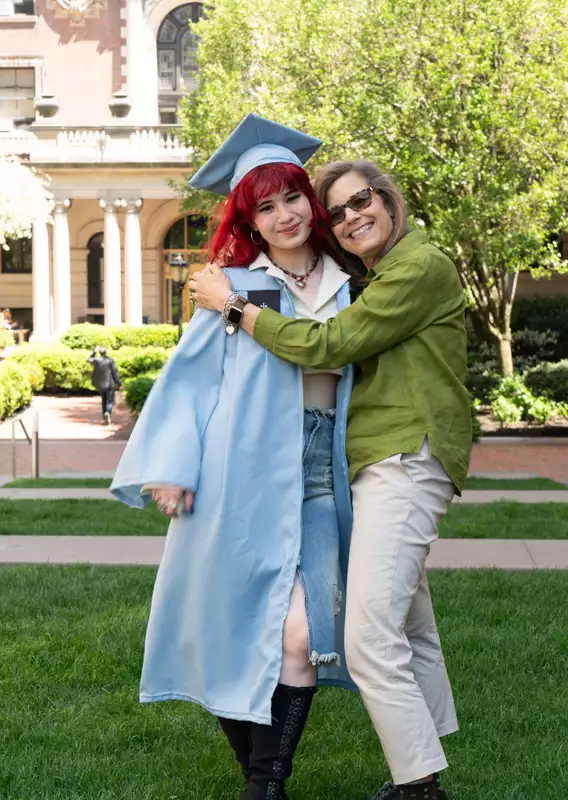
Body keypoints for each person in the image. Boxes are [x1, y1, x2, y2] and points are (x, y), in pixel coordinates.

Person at [190, 158, 473, 800]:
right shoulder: (374, 274)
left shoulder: (416, 267)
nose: (352, 217)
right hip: (370, 462)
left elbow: (328, 345)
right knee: (408, 625)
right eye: (339, 210)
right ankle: (424, 759)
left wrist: (234, 306)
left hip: (403, 457)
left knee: (367, 635)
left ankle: (419, 786)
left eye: (363, 200)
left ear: (390, 197)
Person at [110, 114, 360, 800]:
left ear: (312, 199)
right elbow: (190, 384)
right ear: (250, 220)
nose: (284, 216)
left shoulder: (354, 281)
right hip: (236, 470)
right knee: (227, 627)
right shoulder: (233, 287)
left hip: (318, 471)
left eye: (291, 198)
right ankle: (266, 785)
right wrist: (170, 467)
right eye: (265, 206)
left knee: (303, 634)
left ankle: (264, 782)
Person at [88, 346, 123, 424]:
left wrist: (94, 352)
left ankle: (104, 417)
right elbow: (115, 373)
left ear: (100, 353)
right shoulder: (110, 361)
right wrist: (120, 383)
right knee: (110, 401)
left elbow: (89, 359)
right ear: (105, 352)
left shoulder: (96, 360)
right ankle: (108, 412)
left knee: (103, 401)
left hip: (101, 385)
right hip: (110, 384)